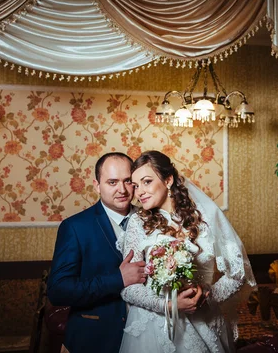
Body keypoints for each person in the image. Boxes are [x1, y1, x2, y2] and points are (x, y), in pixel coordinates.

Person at [118, 150, 256, 353]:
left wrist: (206, 297)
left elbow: (237, 273)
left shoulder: (206, 219)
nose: (139, 192)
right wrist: (169, 305)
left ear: (168, 180)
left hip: (205, 322)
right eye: (136, 185)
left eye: (147, 182)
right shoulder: (138, 223)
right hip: (155, 328)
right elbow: (129, 288)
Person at [47, 152, 146, 353]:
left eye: (128, 181)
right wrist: (117, 279)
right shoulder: (75, 227)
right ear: (97, 185)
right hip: (94, 339)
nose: (122, 190)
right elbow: (58, 290)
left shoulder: (152, 220)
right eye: (112, 182)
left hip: (148, 336)